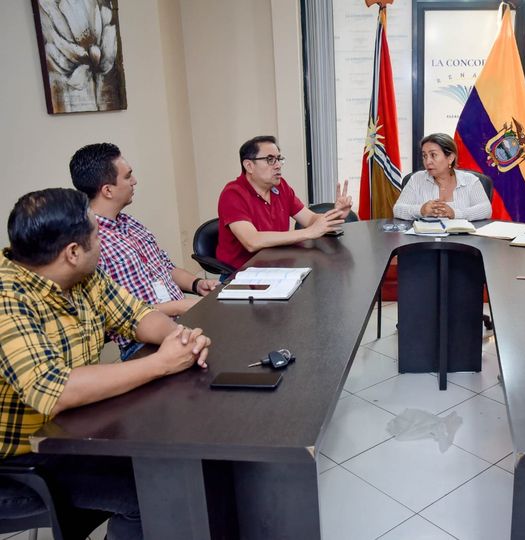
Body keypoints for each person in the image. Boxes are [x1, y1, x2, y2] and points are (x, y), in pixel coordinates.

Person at [0, 188, 212, 540]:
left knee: (177, 461)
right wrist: (162, 363)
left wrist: (179, 338)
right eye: (97, 234)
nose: (102, 241)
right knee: (154, 495)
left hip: (77, 431)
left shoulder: (83, 276)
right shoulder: (8, 299)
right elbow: (55, 391)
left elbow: (138, 316)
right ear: (72, 252)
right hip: (21, 460)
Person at [70, 143, 219, 359]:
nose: (134, 181)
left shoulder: (130, 223)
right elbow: (115, 312)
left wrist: (196, 284)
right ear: (107, 190)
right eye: (128, 176)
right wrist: (178, 307)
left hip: (184, 321)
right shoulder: (91, 243)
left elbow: (165, 267)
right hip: (142, 344)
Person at [217, 135, 354, 269]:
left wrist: (335, 215)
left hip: (278, 267)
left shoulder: (280, 186)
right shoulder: (233, 194)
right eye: (270, 159)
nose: (278, 165)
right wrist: (309, 232)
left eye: (279, 159)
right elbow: (252, 241)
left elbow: (310, 219)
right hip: (242, 274)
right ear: (249, 166)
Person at [392, 133, 492, 221]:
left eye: (433, 155)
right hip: (426, 236)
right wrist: (421, 210)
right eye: (425, 156)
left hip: (463, 236)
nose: (427, 161)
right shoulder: (416, 179)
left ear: (450, 158)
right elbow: (398, 209)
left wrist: (455, 213)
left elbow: (486, 209)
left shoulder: (470, 180)